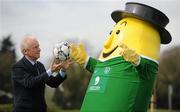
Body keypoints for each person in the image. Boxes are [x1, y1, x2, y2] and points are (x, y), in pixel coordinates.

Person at [11, 35, 72, 112]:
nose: (39, 49)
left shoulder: (40, 66)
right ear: (25, 51)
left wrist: (63, 70)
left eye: (38, 46)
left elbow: (53, 83)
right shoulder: (17, 67)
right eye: (35, 47)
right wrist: (51, 71)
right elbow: (30, 83)